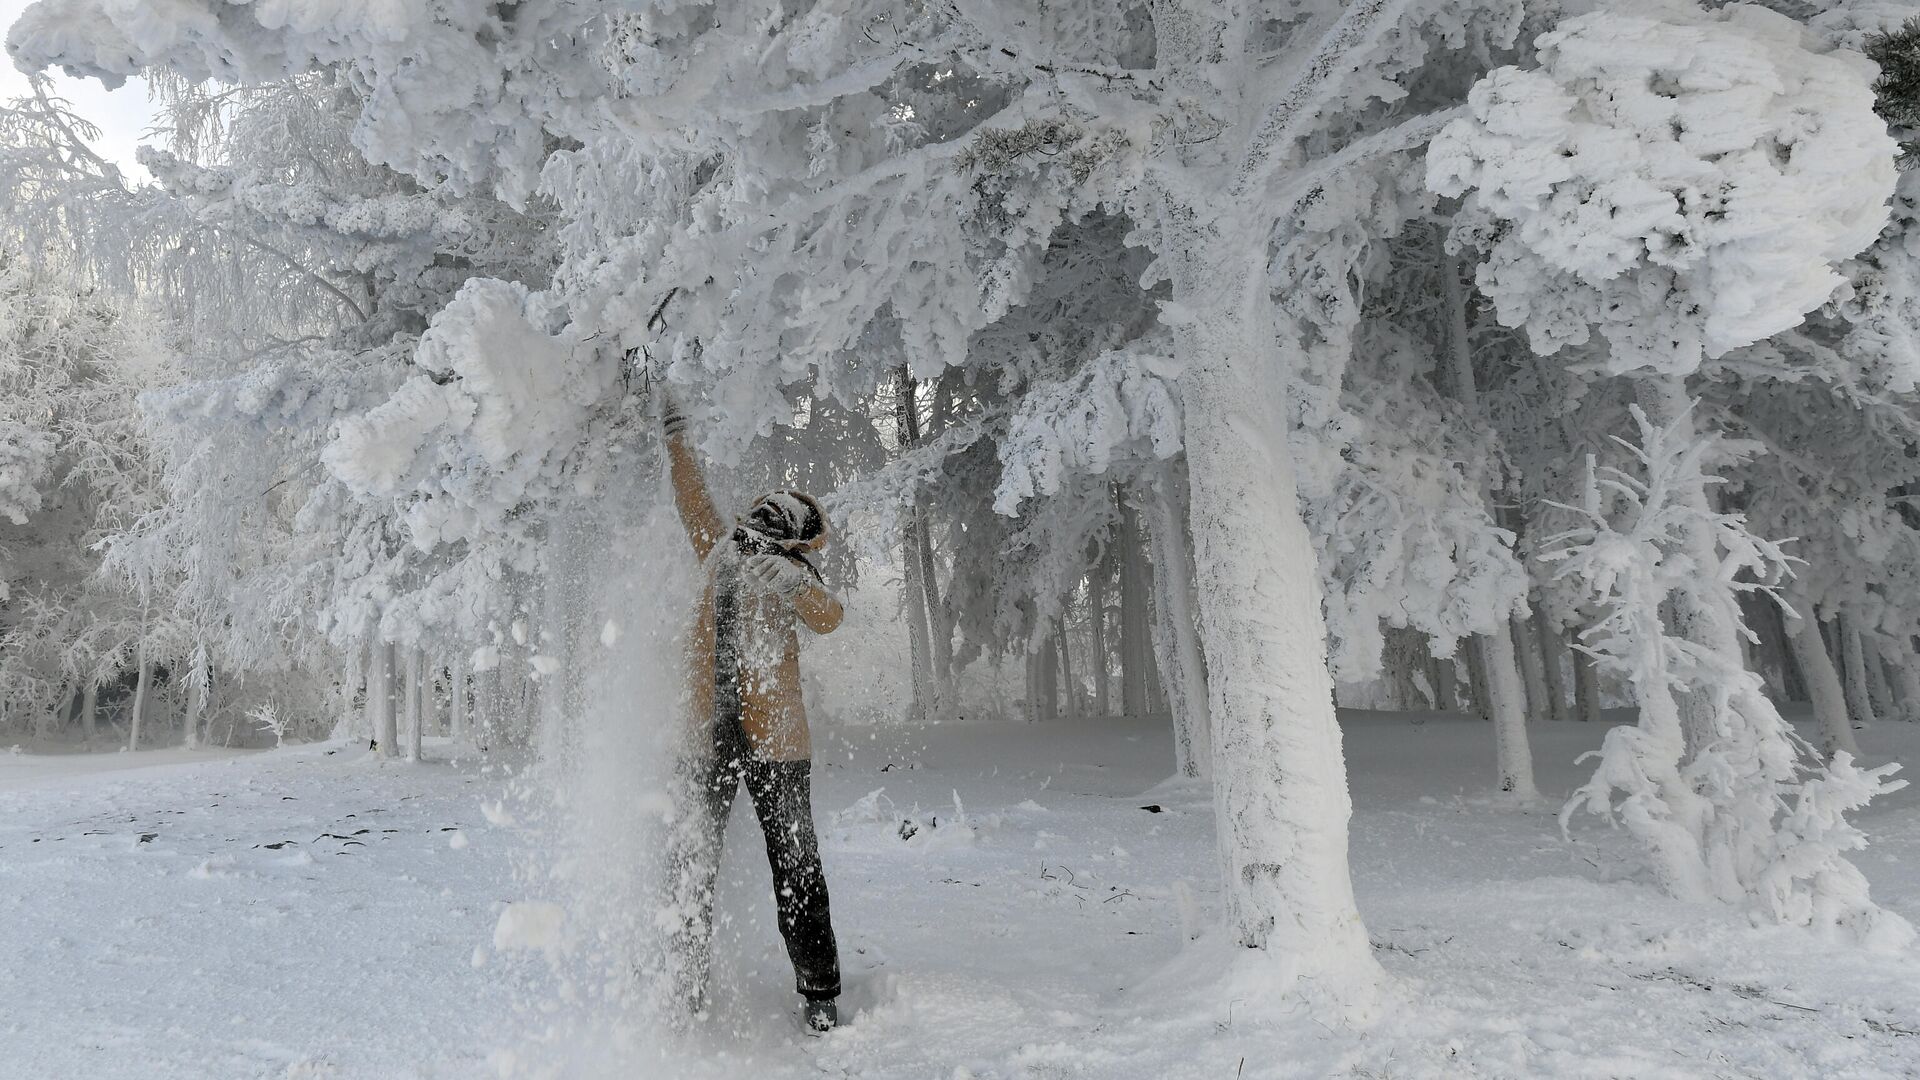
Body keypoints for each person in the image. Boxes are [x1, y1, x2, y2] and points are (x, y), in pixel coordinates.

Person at [656, 389, 846, 1035]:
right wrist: (675, 431)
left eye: (775, 522)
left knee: (795, 865)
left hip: (777, 746)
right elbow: (691, 496)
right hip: (702, 735)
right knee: (688, 859)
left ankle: (819, 990)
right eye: (761, 513)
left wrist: (788, 580)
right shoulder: (717, 548)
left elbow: (829, 619)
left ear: (796, 540)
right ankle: (679, 984)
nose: (761, 524)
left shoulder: (799, 577)